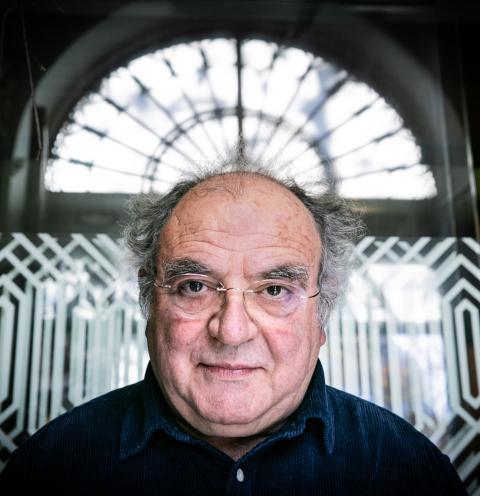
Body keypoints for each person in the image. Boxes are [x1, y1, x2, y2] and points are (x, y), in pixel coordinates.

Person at [0, 167, 467, 495]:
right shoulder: (52, 467)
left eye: (274, 290)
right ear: (150, 304)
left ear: (321, 316)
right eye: (195, 286)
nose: (232, 330)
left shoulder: (406, 469)